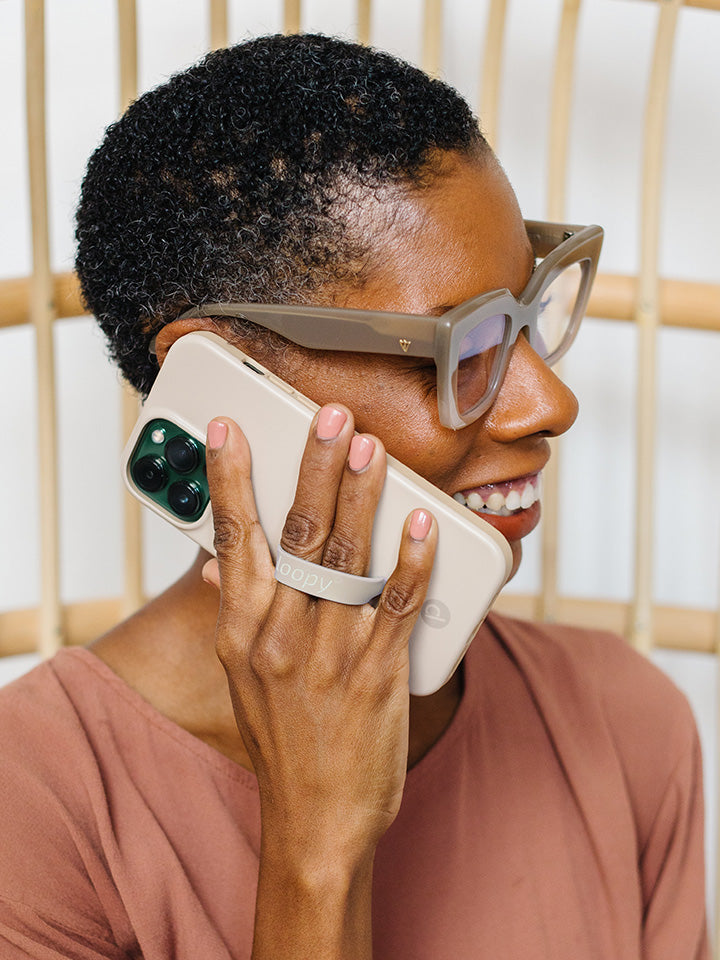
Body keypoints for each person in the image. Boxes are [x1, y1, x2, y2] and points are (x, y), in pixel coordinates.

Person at [0, 33, 708, 960]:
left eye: (528, 317)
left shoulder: (626, 726)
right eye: (466, 347)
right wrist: (317, 849)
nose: (552, 404)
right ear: (231, 381)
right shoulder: (38, 802)